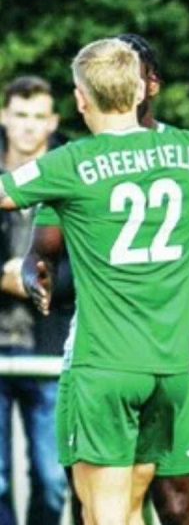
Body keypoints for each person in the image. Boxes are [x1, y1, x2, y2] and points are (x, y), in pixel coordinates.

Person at [0, 38, 189, 523]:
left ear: (80, 99)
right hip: (176, 367)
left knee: (105, 513)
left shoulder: (71, 163)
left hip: (105, 362)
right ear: (141, 89)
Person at [0, 76, 68, 524]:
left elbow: (91, 264)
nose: (27, 127)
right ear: (4, 117)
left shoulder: (72, 173)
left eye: (38, 117)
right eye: (20, 115)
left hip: (51, 345)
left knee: (51, 477)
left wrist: (31, 282)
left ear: (53, 122)